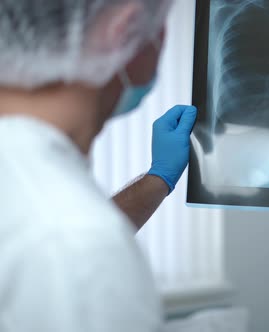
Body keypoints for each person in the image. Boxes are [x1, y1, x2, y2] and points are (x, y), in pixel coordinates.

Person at [0, 1, 197, 331]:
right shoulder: (79, 245)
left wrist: (157, 178)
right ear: (123, 29)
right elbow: (72, 244)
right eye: (158, 26)